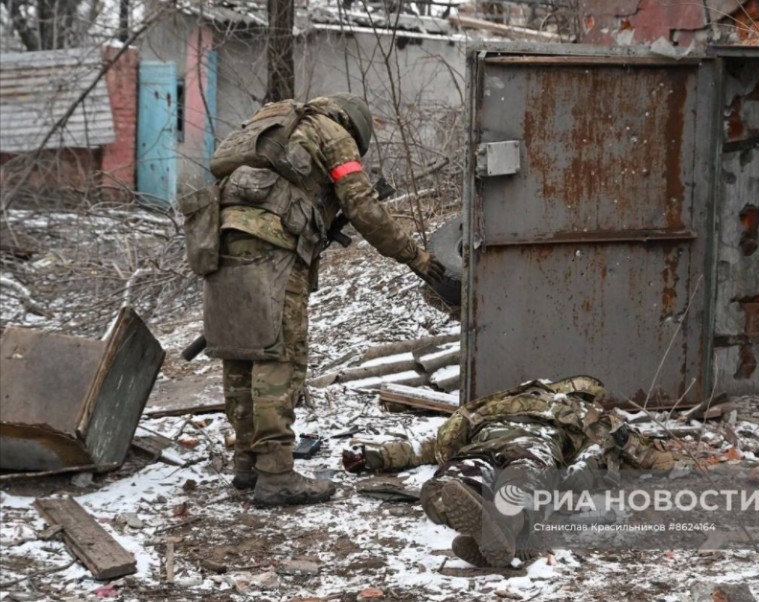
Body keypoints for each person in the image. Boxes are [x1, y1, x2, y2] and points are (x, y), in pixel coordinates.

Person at [202, 94, 445, 508]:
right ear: (356, 127)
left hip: (218, 237)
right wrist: (415, 256)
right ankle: (276, 474)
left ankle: (248, 463)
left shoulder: (275, 123)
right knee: (278, 355)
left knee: (241, 350)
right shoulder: (334, 135)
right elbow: (364, 207)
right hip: (273, 249)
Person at [342, 376, 675, 567]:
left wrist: (376, 457)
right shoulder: (583, 412)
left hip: (484, 443)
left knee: (455, 477)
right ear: (586, 394)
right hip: (536, 448)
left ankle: (454, 499)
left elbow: (431, 444)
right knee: (523, 482)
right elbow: (646, 455)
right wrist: (663, 459)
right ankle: (506, 526)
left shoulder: (500, 402)